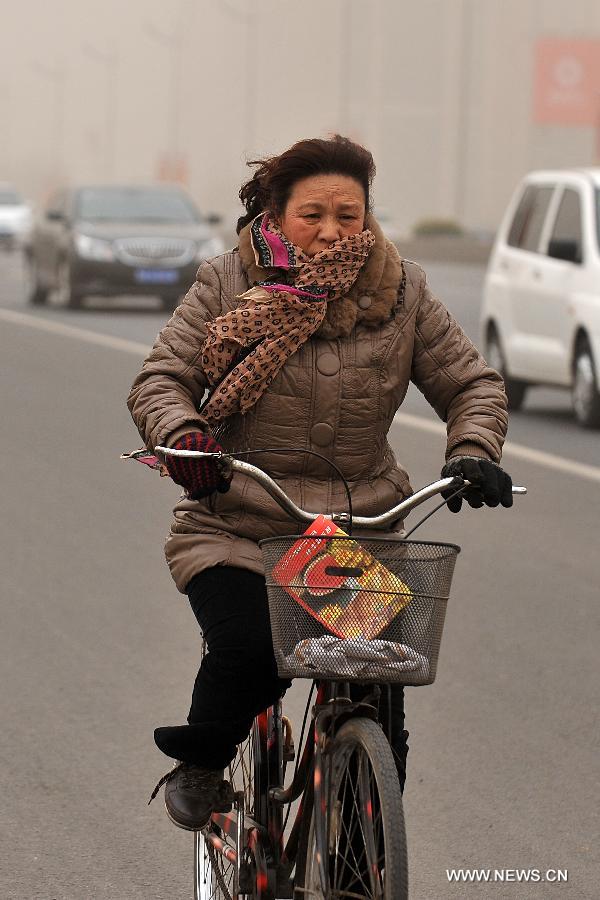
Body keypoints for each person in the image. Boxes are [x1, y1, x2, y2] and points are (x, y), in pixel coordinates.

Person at [128, 134, 512, 831]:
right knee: (250, 652)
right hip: (239, 523)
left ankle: (361, 829)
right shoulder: (226, 282)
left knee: (377, 689)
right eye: (313, 214)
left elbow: (472, 386)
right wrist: (183, 435)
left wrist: (473, 449)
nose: (333, 230)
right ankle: (203, 761)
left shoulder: (403, 290)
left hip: (354, 532)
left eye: (349, 213)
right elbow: (163, 379)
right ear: (274, 214)